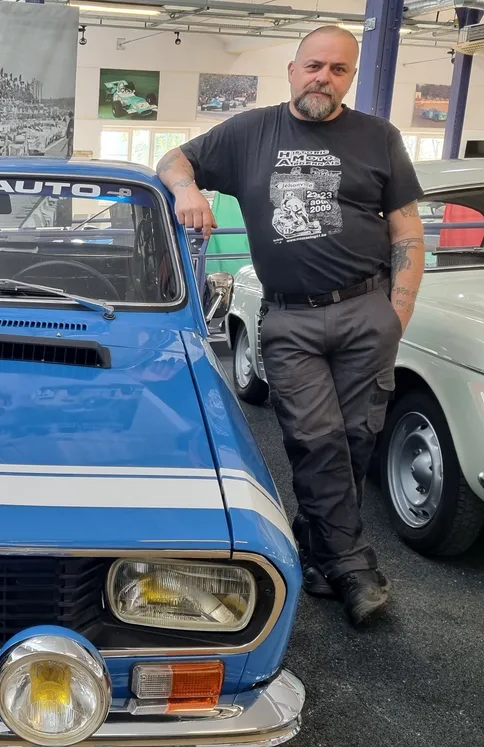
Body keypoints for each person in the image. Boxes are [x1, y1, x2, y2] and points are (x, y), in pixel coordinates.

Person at [156, 25, 425, 627]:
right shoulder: (250, 132)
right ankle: (353, 567)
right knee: (315, 437)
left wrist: (396, 315)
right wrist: (187, 190)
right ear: (293, 70)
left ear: (350, 78)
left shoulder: (379, 137)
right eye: (314, 66)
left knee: (357, 436)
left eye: (338, 70)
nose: (323, 78)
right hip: (290, 317)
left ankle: (316, 543)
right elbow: (173, 158)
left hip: (366, 307)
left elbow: (407, 229)